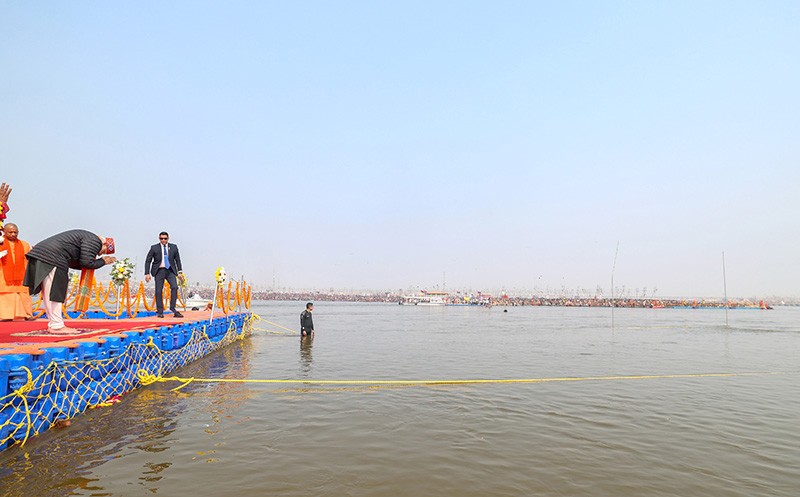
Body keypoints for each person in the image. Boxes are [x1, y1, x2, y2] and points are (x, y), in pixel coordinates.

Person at [23, 229, 116, 334]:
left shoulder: (87, 238)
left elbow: (80, 263)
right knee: (55, 293)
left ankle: (54, 324)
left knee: (49, 294)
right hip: (52, 258)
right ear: (104, 244)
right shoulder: (95, 241)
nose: (99, 254)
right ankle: (57, 326)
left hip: (43, 256)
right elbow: (87, 263)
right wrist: (103, 261)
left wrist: (97, 262)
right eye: (102, 251)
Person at [144, 231, 183, 318]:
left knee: (174, 287)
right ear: (159, 238)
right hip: (159, 271)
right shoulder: (154, 248)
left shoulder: (173, 247)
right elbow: (148, 260)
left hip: (170, 270)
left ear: (168, 238)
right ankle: (160, 311)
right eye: (161, 238)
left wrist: (179, 272)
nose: (163, 240)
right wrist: (147, 273)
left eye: (165, 238)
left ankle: (173, 308)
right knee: (158, 291)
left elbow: (178, 260)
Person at [0, 223, 34, 321]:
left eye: (15, 232)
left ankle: (26, 314)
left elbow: (27, 261)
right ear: (4, 232)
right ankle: (5, 315)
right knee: (6, 294)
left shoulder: (24, 244)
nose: (13, 234)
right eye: (10, 232)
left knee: (23, 293)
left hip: (21, 275)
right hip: (3, 274)